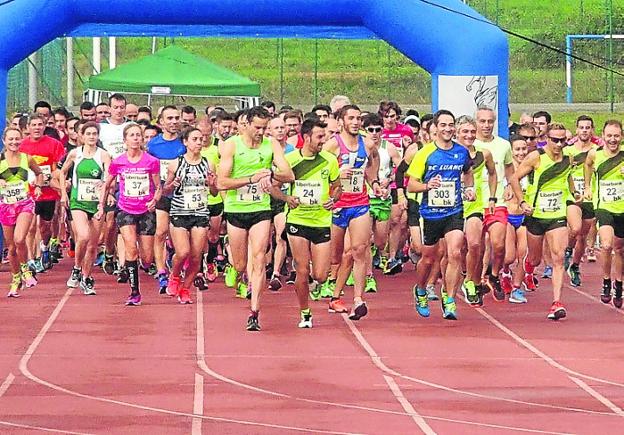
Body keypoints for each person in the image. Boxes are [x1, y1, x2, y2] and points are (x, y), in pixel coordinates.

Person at [217, 106, 294, 331]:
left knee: (259, 258)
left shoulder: (271, 145)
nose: (261, 132)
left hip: (261, 209)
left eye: (264, 128)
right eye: (257, 127)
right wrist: (250, 178)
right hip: (236, 209)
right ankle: (232, 258)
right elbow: (222, 182)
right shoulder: (232, 145)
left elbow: (289, 175)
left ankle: (254, 312)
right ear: (247, 124)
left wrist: (270, 174)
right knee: (241, 264)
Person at [407, 110, 475, 320]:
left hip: (454, 210)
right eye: (443, 125)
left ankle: (449, 298)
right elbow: (411, 185)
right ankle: (420, 290)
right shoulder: (425, 153)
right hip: (430, 213)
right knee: (428, 259)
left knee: (455, 252)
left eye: (451, 125)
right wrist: (428, 185)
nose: (448, 129)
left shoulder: (461, 152)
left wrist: (469, 189)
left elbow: (468, 172)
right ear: (435, 128)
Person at [273, 118, 341, 327]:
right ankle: (305, 312)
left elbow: (337, 187)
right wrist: (287, 199)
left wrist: (334, 198)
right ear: (306, 137)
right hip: (298, 220)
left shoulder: (329, 160)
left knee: (320, 275)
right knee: (302, 270)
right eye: (319, 137)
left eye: (325, 136)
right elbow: (273, 187)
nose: (324, 141)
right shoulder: (290, 160)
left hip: (321, 221)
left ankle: (316, 283)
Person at [322, 104, 381, 320]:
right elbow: (318, 170)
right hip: (337, 205)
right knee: (337, 256)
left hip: (359, 203)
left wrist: (373, 181)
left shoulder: (367, 143)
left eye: (358, 118)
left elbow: (374, 160)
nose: (356, 122)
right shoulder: (332, 146)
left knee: (358, 250)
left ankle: (358, 299)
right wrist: (336, 173)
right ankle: (333, 292)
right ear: (341, 121)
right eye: (351, 118)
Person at [509, 123, 572, 320]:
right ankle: (528, 268)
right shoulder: (536, 157)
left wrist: (575, 192)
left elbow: (567, 178)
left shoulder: (568, 158)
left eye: (563, 140)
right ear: (548, 139)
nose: (559, 144)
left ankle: (557, 303)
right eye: (555, 140)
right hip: (536, 215)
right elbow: (514, 179)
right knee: (534, 259)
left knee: (558, 257)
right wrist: (523, 201)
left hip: (557, 214)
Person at [98, 123, 161, 306]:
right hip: (125, 208)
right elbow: (107, 184)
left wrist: (154, 201)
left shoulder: (151, 161)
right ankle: (134, 292)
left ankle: (132, 267)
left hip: (146, 210)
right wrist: (102, 205)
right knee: (130, 248)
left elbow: (158, 187)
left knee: (147, 258)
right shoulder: (118, 161)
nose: (135, 138)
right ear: (125, 140)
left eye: (138, 135)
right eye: (131, 135)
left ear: (142, 139)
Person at [163, 127, 217, 304]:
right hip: (180, 212)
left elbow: (215, 192)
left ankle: (185, 289)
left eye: (201, 139)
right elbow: (165, 190)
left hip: (200, 212)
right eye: (195, 139)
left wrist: (211, 184)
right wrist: (173, 184)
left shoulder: (208, 164)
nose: (199, 143)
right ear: (185, 142)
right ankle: (175, 275)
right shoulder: (176, 163)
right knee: (183, 251)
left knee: (196, 255)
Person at [60, 122, 111, 295]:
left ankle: (87, 277)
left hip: (96, 203)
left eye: (94, 134)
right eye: (88, 133)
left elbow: (109, 179)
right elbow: (62, 172)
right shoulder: (75, 154)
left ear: (98, 136)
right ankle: (76, 268)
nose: (91, 137)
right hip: (78, 201)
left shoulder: (104, 156)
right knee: (83, 235)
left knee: (93, 245)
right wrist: (63, 194)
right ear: (81, 136)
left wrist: (104, 199)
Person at [455, 116, 497, 306]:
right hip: (452, 207)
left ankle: (470, 281)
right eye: (465, 131)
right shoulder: (448, 153)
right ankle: (451, 284)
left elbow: (493, 173)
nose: (469, 135)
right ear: (457, 133)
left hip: (474, 206)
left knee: (474, 245)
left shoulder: (484, 154)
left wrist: (492, 197)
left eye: (472, 132)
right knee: (455, 250)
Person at [474, 106, 514, 301]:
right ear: (476, 123)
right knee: (476, 246)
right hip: (474, 202)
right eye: (482, 121)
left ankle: (494, 275)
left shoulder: (503, 145)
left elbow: (509, 168)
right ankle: (475, 281)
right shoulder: (468, 144)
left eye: (490, 121)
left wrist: (509, 186)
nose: (487, 125)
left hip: (497, 200)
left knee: (498, 245)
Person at [583, 120, 624, 308]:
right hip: (604, 206)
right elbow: (588, 165)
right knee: (606, 245)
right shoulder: (595, 154)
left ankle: (619, 284)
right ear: (603, 136)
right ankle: (606, 281)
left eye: (616, 136)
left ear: (621, 136)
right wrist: (587, 187)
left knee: (620, 250)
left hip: (622, 208)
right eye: (609, 136)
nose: (613, 140)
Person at [146, 105, 186, 293]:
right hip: (162, 193)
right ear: (161, 122)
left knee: (181, 237)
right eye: (169, 118)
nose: (173, 121)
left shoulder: (185, 142)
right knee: (161, 231)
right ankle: (161, 271)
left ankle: (176, 263)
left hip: (183, 195)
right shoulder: (153, 145)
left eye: (176, 118)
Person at [19, 114, 65, 273]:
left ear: (44, 126)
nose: (37, 128)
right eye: (34, 125)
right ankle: (32, 259)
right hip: (29, 192)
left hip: (49, 192)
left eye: (40, 124)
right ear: (28, 128)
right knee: (31, 227)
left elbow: (59, 168)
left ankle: (44, 246)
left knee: (45, 227)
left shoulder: (54, 145)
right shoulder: (22, 146)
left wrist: (57, 181)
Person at [0, 128, 42, 297]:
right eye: (10, 139)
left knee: (19, 239)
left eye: (17, 139)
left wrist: (38, 186)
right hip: (5, 206)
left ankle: (26, 270)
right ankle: (16, 278)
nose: (14, 142)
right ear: (4, 141)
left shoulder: (27, 158)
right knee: (11, 247)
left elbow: (39, 173)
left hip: (24, 203)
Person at [563, 115, 597, 287]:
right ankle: (568, 250)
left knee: (583, 235)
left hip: (590, 198)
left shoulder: (597, 151)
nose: (584, 130)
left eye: (588, 127)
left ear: (592, 130)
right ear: (576, 129)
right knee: (575, 228)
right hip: (572, 196)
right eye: (582, 127)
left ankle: (575, 266)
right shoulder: (568, 151)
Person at [506, 135, 531, 303]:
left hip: (524, 216)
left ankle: (516, 287)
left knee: (524, 254)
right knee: (508, 256)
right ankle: (503, 271)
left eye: (524, 149)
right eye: (518, 149)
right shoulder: (506, 169)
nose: (521, 152)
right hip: (507, 215)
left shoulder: (532, 168)